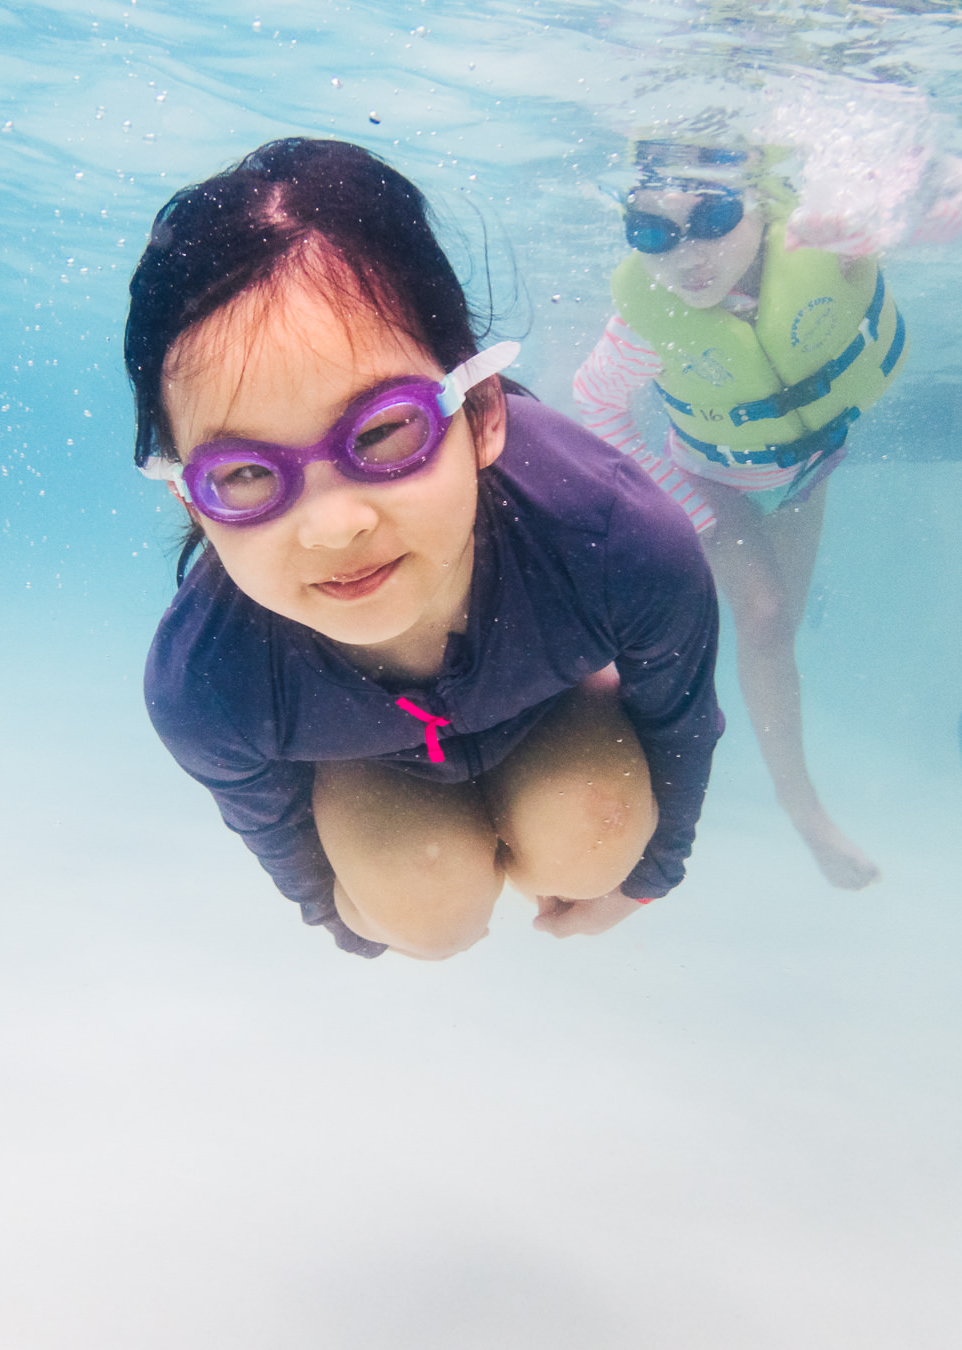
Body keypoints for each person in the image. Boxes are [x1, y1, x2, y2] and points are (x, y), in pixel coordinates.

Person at [126, 138, 723, 960]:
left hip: (554, 713)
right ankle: (392, 822)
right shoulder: (209, 687)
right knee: (420, 918)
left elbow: (682, 722)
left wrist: (650, 877)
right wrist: (352, 923)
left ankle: (568, 727)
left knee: (594, 840)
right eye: (245, 476)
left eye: (382, 431)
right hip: (374, 771)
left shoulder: (616, 544)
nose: (335, 527)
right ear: (192, 501)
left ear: (482, 412)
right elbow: (285, 844)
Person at [574, 135, 962, 890]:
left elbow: (920, 198)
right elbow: (596, 401)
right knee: (759, 614)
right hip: (710, 477)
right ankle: (803, 815)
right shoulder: (648, 318)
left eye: (715, 214)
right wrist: (688, 507)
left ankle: (795, 807)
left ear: (760, 204)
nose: (687, 254)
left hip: (806, 464)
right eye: (653, 233)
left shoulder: (826, 245)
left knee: (777, 628)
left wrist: (956, 190)